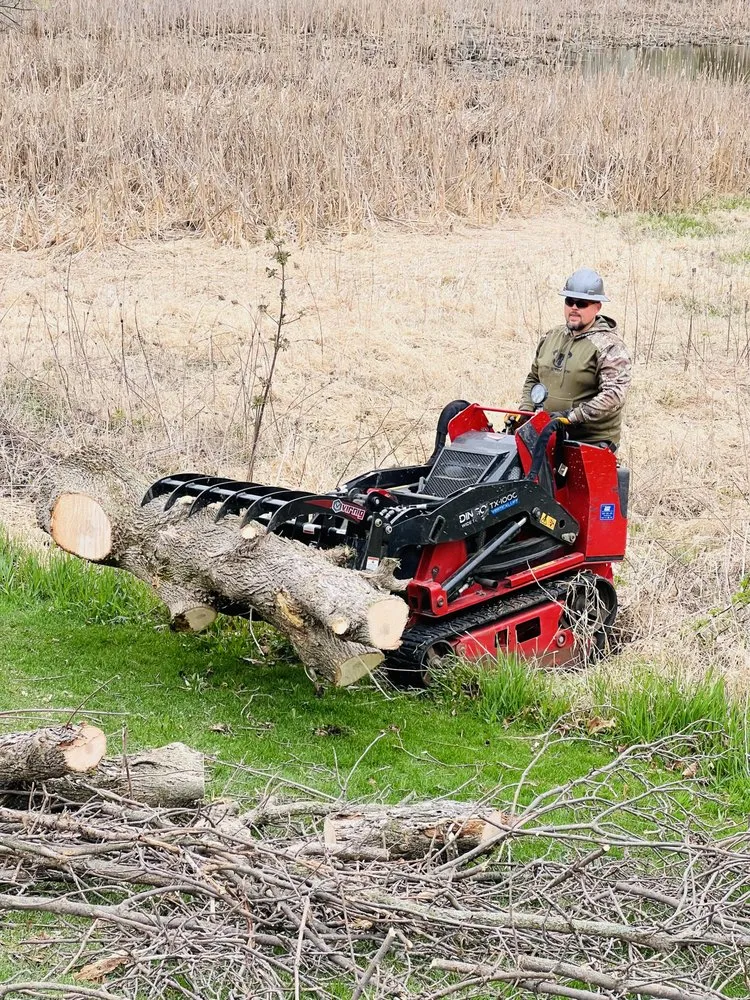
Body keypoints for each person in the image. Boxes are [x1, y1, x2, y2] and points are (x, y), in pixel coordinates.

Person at [517, 267, 631, 448]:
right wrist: (526, 410)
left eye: (582, 303)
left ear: (597, 307)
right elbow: (534, 377)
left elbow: (614, 396)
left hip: (588, 442)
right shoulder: (551, 337)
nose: (575, 308)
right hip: (545, 434)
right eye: (570, 301)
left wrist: (571, 416)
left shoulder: (609, 346)